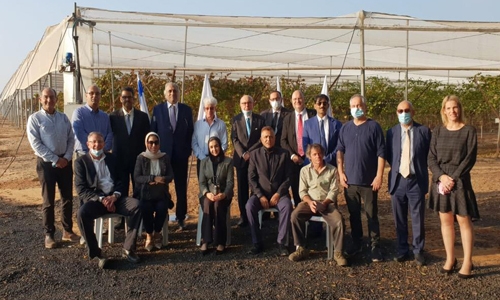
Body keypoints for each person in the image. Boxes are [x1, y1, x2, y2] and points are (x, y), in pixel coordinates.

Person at [428, 95, 478, 279]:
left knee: (464, 221)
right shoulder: (438, 131)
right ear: (444, 111)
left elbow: (470, 158)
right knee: (446, 221)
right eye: (448, 108)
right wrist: (441, 176)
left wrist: (453, 178)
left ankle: (467, 261)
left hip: (460, 181)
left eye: (455, 107)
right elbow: (431, 158)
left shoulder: (469, 131)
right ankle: (450, 259)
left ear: (460, 109)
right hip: (441, 181)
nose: (452, 111)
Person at [75, 132, 142, 269]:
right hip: (97, 201)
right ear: (88, 144)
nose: (97, 145)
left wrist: (114, 196)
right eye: (93, 142)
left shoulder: (112, 158)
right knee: (82, 214)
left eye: (99, 141)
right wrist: (102, 199)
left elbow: (122, 180)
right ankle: (97, 253)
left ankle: (128, 248)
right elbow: (81, 189)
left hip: (116, 198)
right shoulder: (80, 163)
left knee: (137, 206)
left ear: (104, 144)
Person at [27, 87, 79, 248]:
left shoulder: (63, 118)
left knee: (67, 198)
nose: (49, 100)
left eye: (52, 97)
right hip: (47, 164)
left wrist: (67, 157)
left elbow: (71, 138)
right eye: (46, 97)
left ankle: (67, 231)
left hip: (65, 162)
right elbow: (36, 144)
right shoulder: (35, 119)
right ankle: (49, 234)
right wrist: (55, 159)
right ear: (41, 100)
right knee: (48, 200)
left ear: (57, 99)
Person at [336, 94, 385, 262]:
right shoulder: (345, 128)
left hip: (369, 182)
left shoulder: (374, 127)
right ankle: (356, 243)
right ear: (350, 109)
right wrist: (341, 173)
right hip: (350, 182)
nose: (357, 109)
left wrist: (379, 176)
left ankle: (375, 247)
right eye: (354, 106)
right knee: (354, 214)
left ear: (365, 107)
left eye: (359, 105)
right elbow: (340, 151)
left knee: (371, 214)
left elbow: (381, 153)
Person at [386, 100, 431, 266]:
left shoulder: (424, 131)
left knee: (417, 217)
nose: (403, 113)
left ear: (413, 112)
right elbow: (391, 156)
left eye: (406, 110)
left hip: (416, 181)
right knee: (399, 218)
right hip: (397, 181)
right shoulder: (391, 132)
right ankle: (402, 249)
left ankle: (418, 250)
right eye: (400, 111)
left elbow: (428, 155)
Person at [288, 144, 347, 266]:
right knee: (295, 215)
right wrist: (310, 203)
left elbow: (334, 190)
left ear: (323, 154)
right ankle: (301, 248)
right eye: (314, 154)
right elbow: (302, 191)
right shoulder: (304, 170)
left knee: (339, 220)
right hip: (309, 202)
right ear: (309, 156)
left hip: (327, 203)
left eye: (320, 153)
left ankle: (338, 252)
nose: (318, 156)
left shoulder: (332, 170)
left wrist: (325, 203)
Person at [151, 82, 194, 231]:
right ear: (164, 94)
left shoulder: (186, 110)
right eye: (169, 91)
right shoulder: (158, 110)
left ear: (178, 93)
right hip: (163, 157)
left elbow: (190, 132)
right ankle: (163, 218)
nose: (172, 93)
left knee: (181, 188)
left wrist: (187, 151)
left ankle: (181, 218)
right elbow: (153, 132)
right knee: (162, 188)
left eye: (175, 91)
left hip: (181, 156)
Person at [246, 126, 293, 256]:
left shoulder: (284, 154)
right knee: (249, 206)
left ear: (275, 138)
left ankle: (281, 242)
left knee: (287, 206)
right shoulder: (254, 155)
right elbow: (251, 178)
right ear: (261, 139)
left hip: (279, 194)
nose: (268, 139)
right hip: (260, 194)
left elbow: (289, 177)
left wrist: (278, 193)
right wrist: (260, 195)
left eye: (271, 137)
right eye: (265, 137)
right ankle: (257, 242)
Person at [109, 86, 150, 229]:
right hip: (119, 160)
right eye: (124, 97)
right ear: (120, 99)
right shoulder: (113, 117)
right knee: (122, 189)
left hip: (138, 160)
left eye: (129, 97)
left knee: (140, 189)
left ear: (134, 99)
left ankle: (140, 218)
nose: (127, 99)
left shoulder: (143, 117)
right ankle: (121, 218)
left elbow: (147, 139)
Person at [134, 132, 174, 251]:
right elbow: (137, 177)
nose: (153, 145)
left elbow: (171, 175)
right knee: (145, 208)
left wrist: (163, 179)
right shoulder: (141, 157)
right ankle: (149, 235)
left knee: (162, 208)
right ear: (146, 143)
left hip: (161, 193)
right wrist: (151, 178)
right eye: (150, 142)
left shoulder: (164, 157)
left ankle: (157, 233)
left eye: (156, 142)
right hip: (146, 193)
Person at [231, 95, 265, 227]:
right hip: (240, 160)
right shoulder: (236, 120)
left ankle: (254, 215)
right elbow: (234, 139)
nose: (247, 106)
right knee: (242, 189)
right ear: (240, 105)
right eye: (244, 103)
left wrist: (250, 152)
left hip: (255, 159)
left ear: (253, 104)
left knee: (255, 186)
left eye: (249, 103)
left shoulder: (260, 120)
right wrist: (243, 153)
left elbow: (261, 139)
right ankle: (243, 216)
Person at [198, 136, 234, 255]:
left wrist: (223, 194)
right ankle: (206, 240)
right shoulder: (204, 162)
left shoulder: (228, 162)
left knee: (218, 205)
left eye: (216, 146)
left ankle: (220, 242)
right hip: (207, 194)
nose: (214, 149)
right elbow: (202, 183)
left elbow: (230, 183)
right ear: (209, 148)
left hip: (223, 195)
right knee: (208, 205)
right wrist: (207, 193)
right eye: (211, 147)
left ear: (220, 146)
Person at [280, 90, 316, 207]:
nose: (297, 101)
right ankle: (300, 212)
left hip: (312, 159)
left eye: (299, 98)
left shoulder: (313, 115)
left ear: (304, 99)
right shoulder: (287, 118)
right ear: (291, 101)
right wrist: (292, 155)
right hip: (294, 160)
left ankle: (313, 212)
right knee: (296, 187)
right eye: (295, 99)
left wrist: (311, 155)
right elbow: (283, 140)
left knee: (313, 186)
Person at [192, 96, 228, 177]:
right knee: (203, 187)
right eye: (207, 108)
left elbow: (224, 143)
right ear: (204, 109)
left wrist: (217, 156)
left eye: (211, 108)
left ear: (215, 109)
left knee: (217, 186)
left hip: (217, 160)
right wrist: (203, 158)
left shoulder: (221, 124)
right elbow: (194, 143)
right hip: (202, 160)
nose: (209, 110)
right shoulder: (198, 124)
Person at [72, 84, 113, 155]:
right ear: (86, 95)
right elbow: (79, 133)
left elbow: (109, 134)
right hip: (84, 155)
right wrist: (95, 148)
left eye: (97, 94)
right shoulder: (79, 113)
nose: (94, 96)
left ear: (100, 96)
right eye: (91, 93)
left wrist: (102, 150)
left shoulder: (105, 116)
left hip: (102, 156)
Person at [303, 94, 342, 166]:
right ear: (315, 106)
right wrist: (315, 159)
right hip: (312, 165)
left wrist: (328, 158)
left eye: (324, 103)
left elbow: (339, 144)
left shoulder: (337, 124)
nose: (322, 105)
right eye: (319, 103)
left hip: (331, 164)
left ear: (328, 105)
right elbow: (306, 145)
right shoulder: (308, 124)